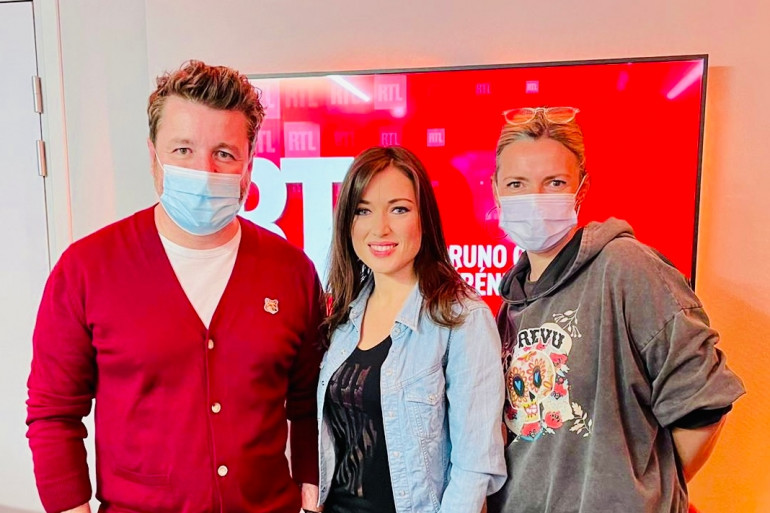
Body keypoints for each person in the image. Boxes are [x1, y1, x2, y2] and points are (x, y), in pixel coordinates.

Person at [26, 60, 324, 513]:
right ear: (153, 156)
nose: (203, 170)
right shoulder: (86, 270)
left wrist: (311, 494)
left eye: (224, 153)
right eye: (183, 150)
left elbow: (309, 404)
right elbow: (53, 413)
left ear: (248, 166)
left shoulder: (292, 273)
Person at [486, 106, 745, 513]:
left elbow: (704, 404)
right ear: (496, 191)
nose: (535, 199)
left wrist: (636, 495)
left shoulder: (624, 268)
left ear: (581, 189)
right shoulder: (509, 306)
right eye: (517, 184)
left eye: (554, 183)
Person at [316, 146, 506, 513]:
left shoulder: (462, 318)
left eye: (399, 209)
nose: (380, 228)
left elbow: (474, 467)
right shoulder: (343, 316)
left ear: (424, 219)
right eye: (363, 210)